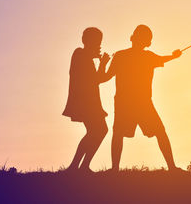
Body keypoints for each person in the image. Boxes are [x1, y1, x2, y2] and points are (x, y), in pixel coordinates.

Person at [102, 24, 182, 172]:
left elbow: (105, 77)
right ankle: (171, 167)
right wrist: (174, 56)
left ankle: (114, 169)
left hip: (130, 103)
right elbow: (165, 58)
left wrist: (173, 56)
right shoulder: (146, 57)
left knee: (121, 134)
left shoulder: (124, 56)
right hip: (137, 103)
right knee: (158, 132)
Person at [62, 27, 111, 173]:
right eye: (96, 42)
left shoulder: (87, 58)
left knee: (96, 131)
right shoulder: (79, 54)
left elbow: (98, 79)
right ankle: (78, 166)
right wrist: (103, 64)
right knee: (99, 130)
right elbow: (96, 79)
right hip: (85, 102)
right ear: (85, 41)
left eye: (99, 42)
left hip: (90, 102)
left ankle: (79, 166)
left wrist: (103, 64)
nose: (99, 46)